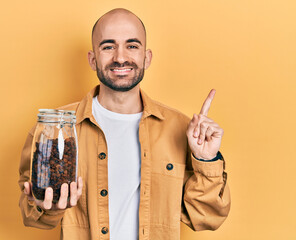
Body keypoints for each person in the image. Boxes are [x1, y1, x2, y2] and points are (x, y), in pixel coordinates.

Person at [18, 8, 230, 240]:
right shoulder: (55, 127)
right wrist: (50, 208)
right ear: (92, 59)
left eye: (132, 46)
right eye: (108, 46)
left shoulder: (181, 129)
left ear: (146, 58)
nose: (120, 57)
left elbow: (207, 217)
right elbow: (31, 214)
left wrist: (206, 159)